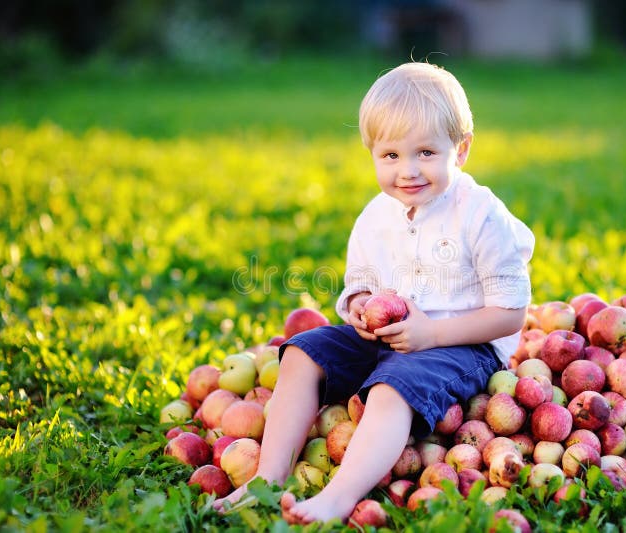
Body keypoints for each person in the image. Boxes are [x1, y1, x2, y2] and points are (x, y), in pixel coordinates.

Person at [213, 61, 535, 525]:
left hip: (465, 343)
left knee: (389, 389)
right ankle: (267, 476)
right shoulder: (375, 216)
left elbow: (509, 314)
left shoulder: (481, 215)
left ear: (460, 150)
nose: (408, 171)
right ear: (372, 155)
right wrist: (360, 307)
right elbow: (358, 286)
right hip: (389, 336)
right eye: (390, 156)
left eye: (426, 152)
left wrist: (433, 335)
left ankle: (338, 497)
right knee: (302, 352)